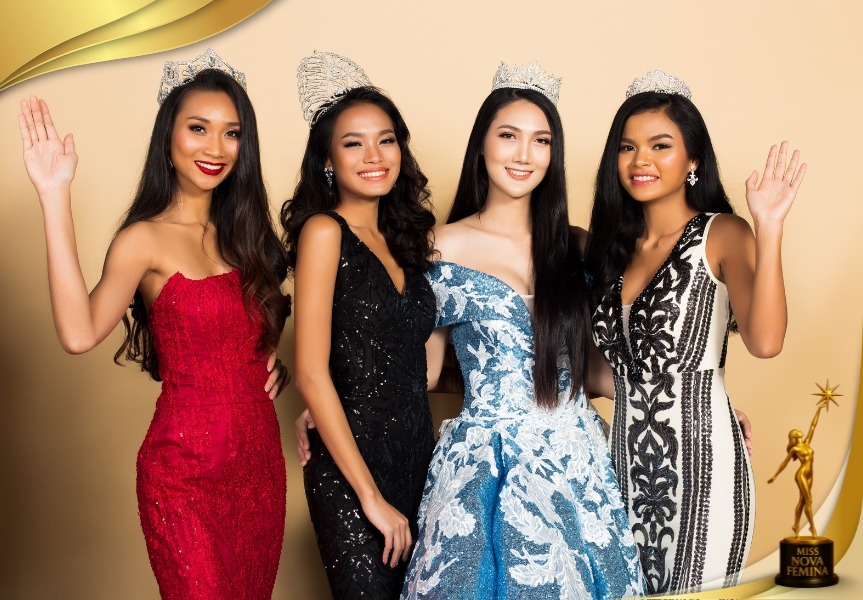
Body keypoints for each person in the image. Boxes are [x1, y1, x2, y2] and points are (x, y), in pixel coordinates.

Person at [18, 49, 291, 599]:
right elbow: (78, 333)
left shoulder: (250, 237)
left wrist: (273, 363)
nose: (215, 148)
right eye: (198, 128)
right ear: (169, 137)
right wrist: (54, 195)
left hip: (258, 471)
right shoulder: (142, 240)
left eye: (231, 133)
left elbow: (250, 331)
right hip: (183, 476)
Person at [401, 62, 644, 600]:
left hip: (574, 461)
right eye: (508, 136)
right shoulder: (438, 248)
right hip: (485, 464)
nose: (523, 154)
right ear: (481, 146)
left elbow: (597, 371)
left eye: (541, 141)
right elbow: (424, 372)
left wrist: (687, 402)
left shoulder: (576, 247)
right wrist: (338, 400)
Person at [585, 70, 806, 594]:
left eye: (661, 145)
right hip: (621, 466)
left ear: (692, 161)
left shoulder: (722, 233)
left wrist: (769, 224)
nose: (641, 160)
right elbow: (600, 372)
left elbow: (766, 341)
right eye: (627, 147)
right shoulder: (607, 250)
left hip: (704, 463)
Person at [281, 51, 437, 599]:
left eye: (386, 139)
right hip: (353, 474)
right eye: (354, 143)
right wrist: (370, 498)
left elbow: (417, 365)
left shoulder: (407, 242)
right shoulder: (324, 232)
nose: (374, 155)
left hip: (420, 461)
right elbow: (310, 370)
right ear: (328, 159)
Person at [768, 397, 832, 537]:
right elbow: (784, 463)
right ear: (794, 436)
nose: (799, 431)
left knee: (803, 501)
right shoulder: (795, 449)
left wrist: (819, 410)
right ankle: (812, 528)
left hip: (810, 474)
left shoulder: (807, 443)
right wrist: (775, 475)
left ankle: (796, 525)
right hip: (802, 474)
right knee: (809, 500)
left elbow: (813, 426)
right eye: (796, 431)